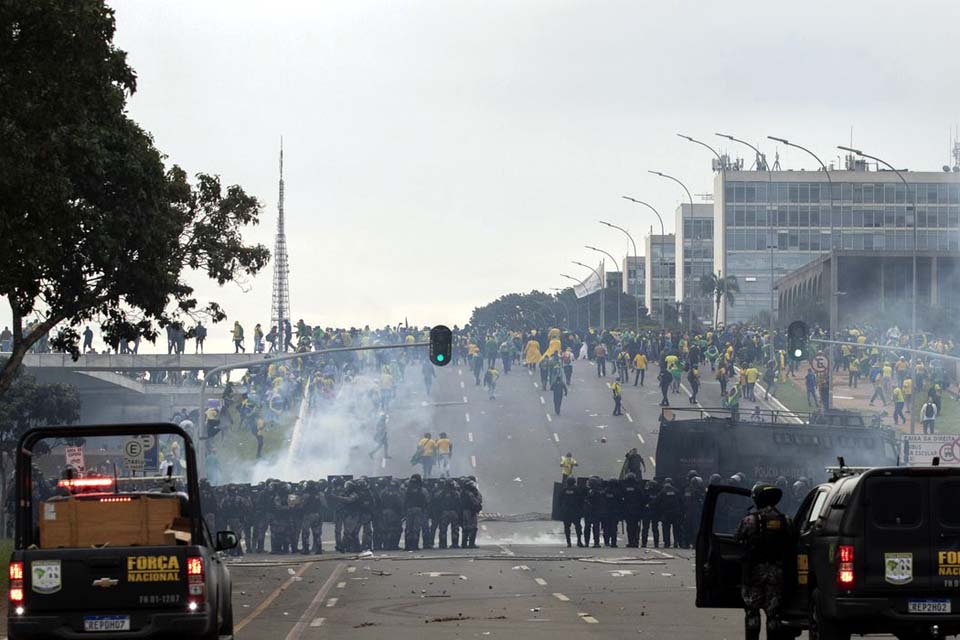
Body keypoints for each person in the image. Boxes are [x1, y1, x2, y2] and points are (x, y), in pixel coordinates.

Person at [735, 484, 792, 640]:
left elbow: (737, 539)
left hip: (754, 573)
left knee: (752, 612)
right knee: (773, 614)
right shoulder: (786, 520)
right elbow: (793, 542)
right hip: (777, 573)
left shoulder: (749, 520)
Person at [558, 476, 584, 548]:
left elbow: (559, 501)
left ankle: (568, 543)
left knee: (567, 527)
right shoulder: (577, 490)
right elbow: (581, 500)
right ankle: (579, 541)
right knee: (578, 527)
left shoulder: (564, 490)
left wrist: (560, 510)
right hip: (575, 512)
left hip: (566, 512)